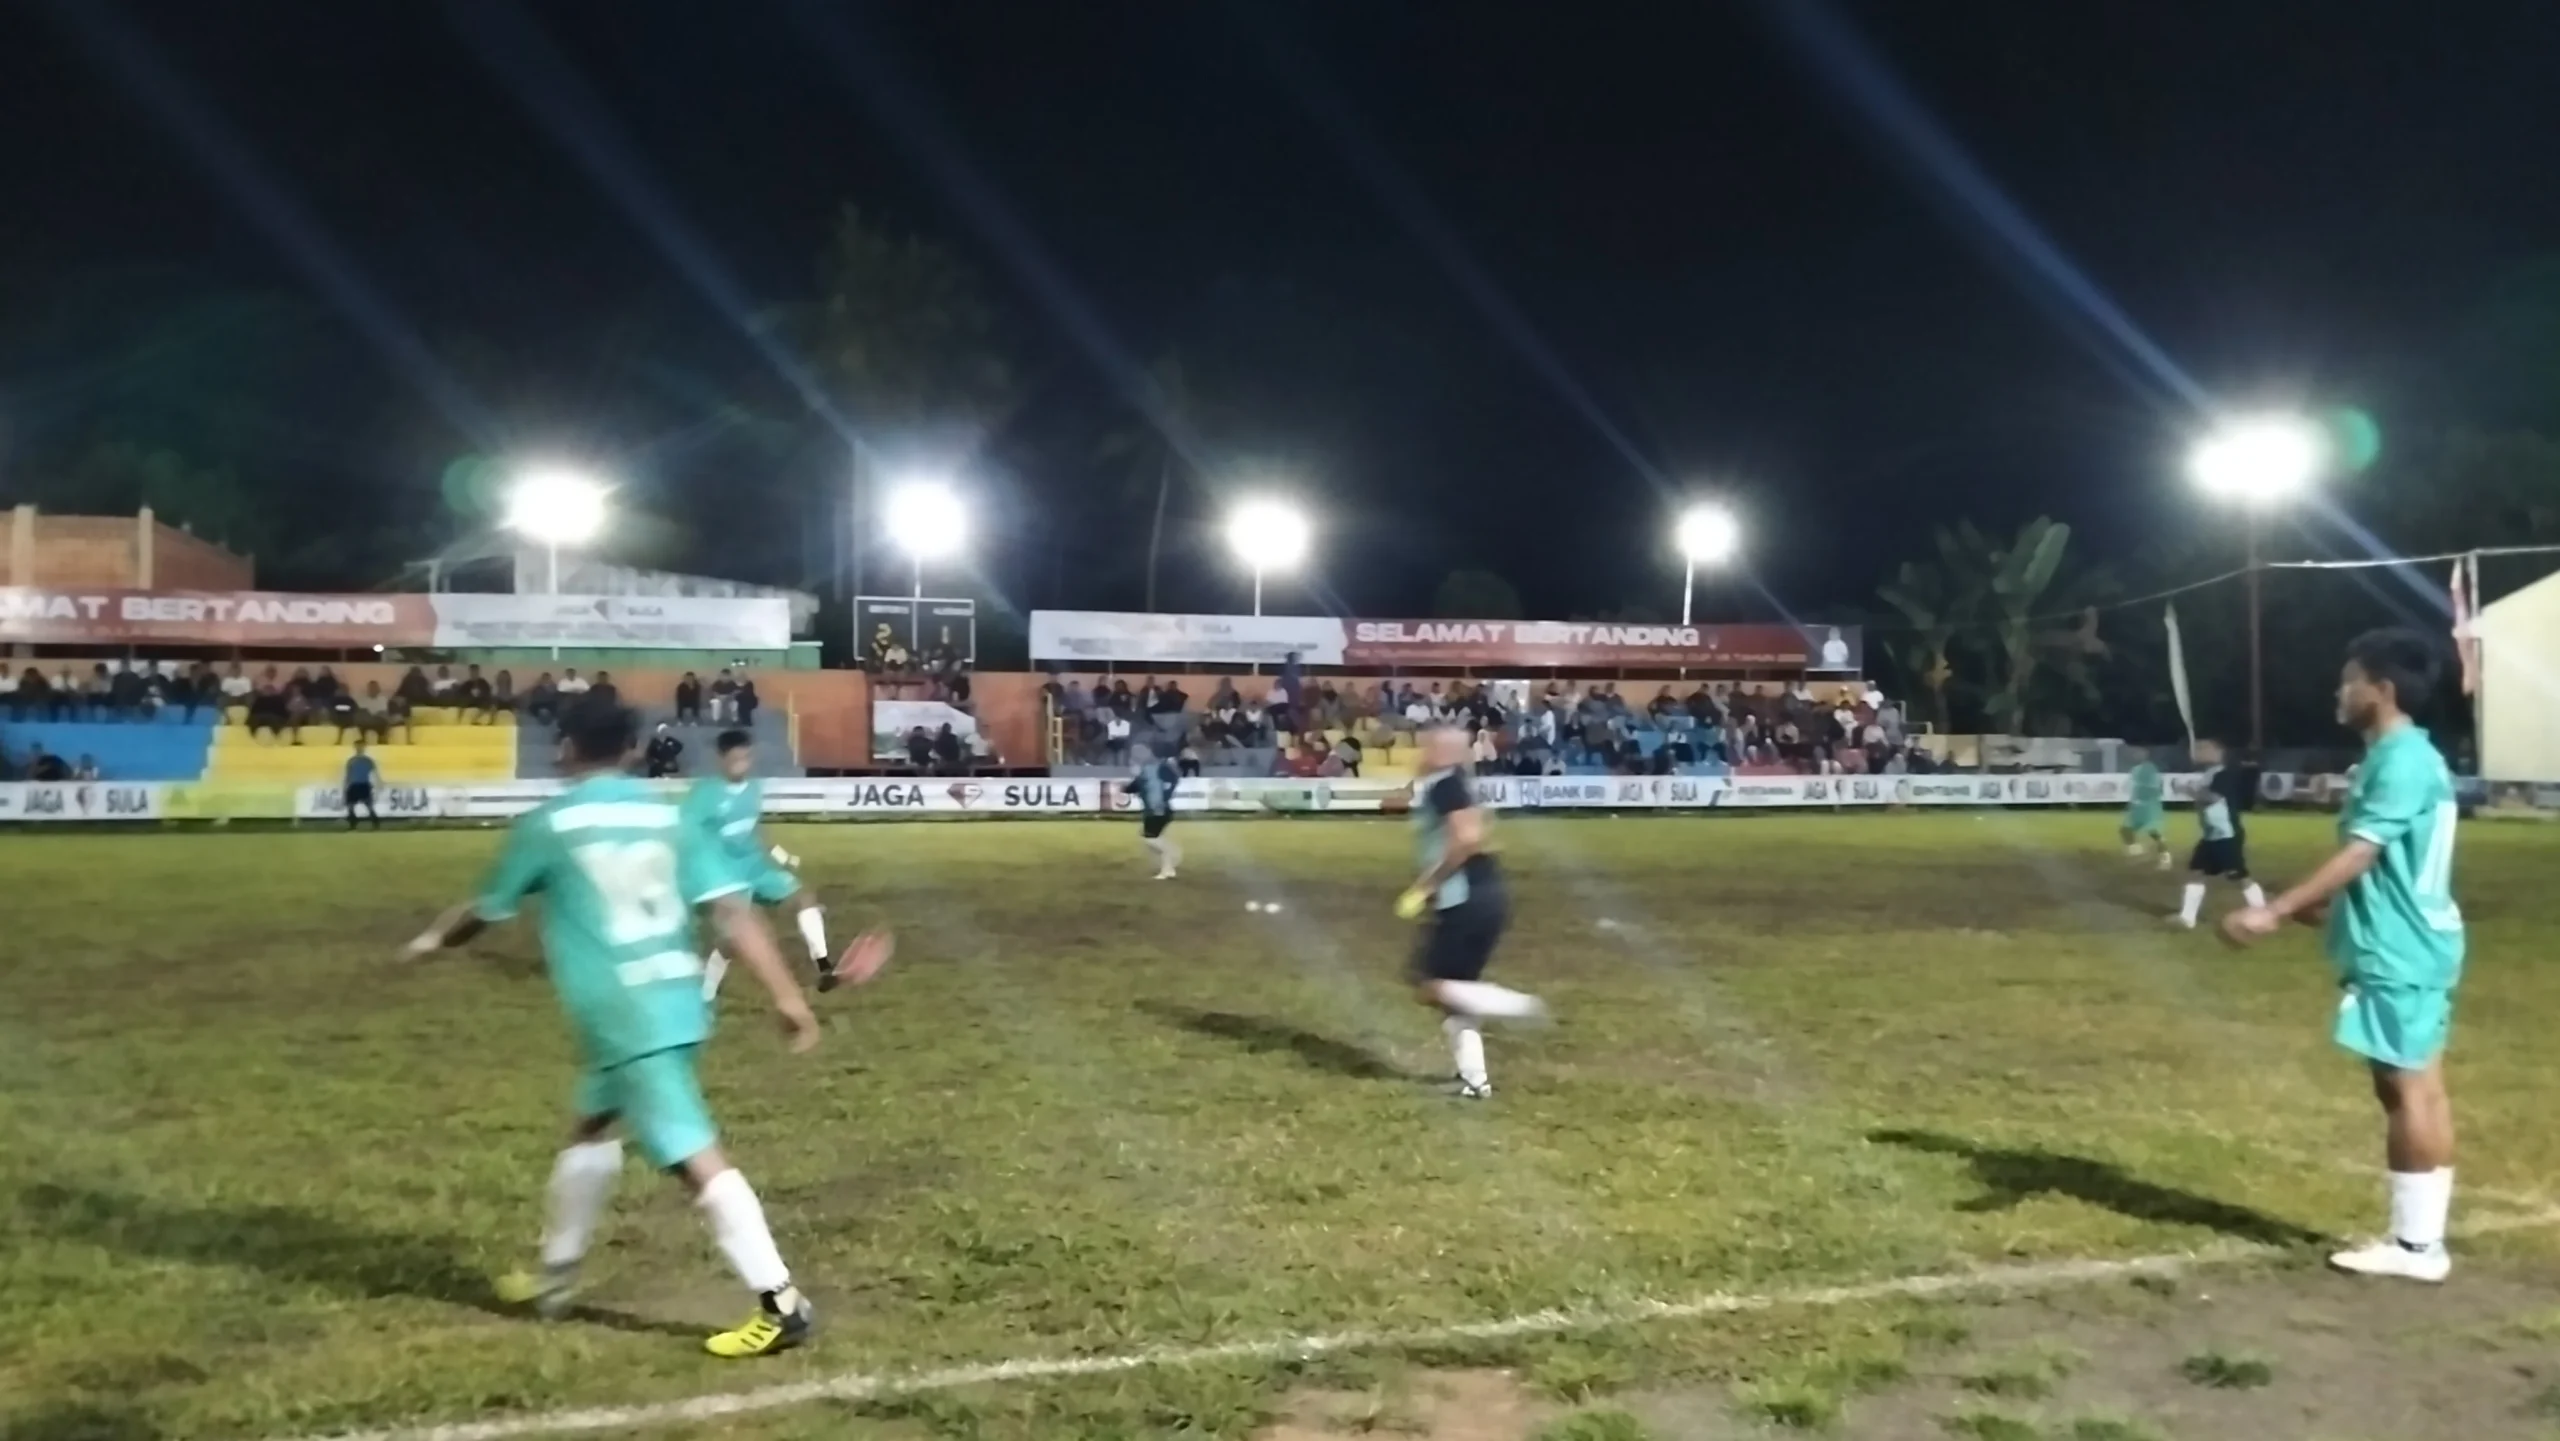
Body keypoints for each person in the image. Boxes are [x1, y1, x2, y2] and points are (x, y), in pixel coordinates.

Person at [396, 696, 825, 1357]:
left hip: (627, 1015)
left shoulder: (550, 824)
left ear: (565, 748)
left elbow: (485, 908)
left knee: (692, 1155)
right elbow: (732, 911)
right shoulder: (669, 817)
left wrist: (432, 941)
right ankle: (555, 1278)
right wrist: (787, 995)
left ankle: (781, 1300)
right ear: (631, 750)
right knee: (592, 1125)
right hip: (676, 998)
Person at [2221, 629, 2464, 1282]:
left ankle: (2417, 1248)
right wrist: (2325, 909)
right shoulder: (2411, 755)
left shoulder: (2400, 759)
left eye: (2350, 680)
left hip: (2400, 949)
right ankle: (2422, 1239)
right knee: (2420, 1086)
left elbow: (2363, 851)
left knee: (2406, 1090)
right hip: (2414, 940)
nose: (2340, 691)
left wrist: (2274, 910)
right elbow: (2395, 863)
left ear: (2381, 690)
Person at [1394, 726, 1546, 1100]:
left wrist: (1427, 886)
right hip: (1478, 896)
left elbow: (1467, 837)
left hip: (1468, 898)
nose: (1422, 752)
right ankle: (1475, 1082)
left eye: (1429, 746)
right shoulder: (1451, 784)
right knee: (1454, 994)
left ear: (1444, 752)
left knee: (1428, 984)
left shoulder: (1448, 785)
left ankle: (1517, 1005)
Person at [683, 728, 879, 994]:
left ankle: (824, 967)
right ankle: (706, 993)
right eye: (735, 759)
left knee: (804, 898)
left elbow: (754, 829)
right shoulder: (704, 795)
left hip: (757, 868)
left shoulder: (753, 788)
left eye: (746, 758)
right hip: (727, 877)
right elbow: (684, 835)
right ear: (721, 759)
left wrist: (780, 855)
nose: (742, 764)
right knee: (732, 941)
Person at [2171, 739, 2267, 928]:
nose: (2198, 751)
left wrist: (2186, 790)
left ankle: (2263, 913)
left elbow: (2213, 798)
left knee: (2239, 876)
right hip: (2211, 834)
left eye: (2204, 748)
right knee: (2196, 872)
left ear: (2218, 752)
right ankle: (2187, 918)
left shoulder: (2223, 774)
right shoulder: (2210, 774)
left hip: (2226, 834)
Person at [1126, 744, 1182, 880]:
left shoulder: (1150, 771)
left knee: (1151, 839)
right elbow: (1133, 787)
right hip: (1159, 809)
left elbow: (1133, 787)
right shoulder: (1151, 770)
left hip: (1156, 810)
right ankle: (1169, 865)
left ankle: (1169, 864)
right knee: (1151, 838)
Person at [2120, 748, 2170, 868]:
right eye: (2135, 752)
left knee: (2154, 832)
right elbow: (2135, 788)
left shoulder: (2150, 769)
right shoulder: (2136, 769)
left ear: (2146, 754)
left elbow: (2155, 788)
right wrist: (2133, 802)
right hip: (2138, 806)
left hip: (2149, 806)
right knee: (2125, 829)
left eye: (2139, 752)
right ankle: (2137, 851)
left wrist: (2147, 797)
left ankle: (2165, 857)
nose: (2135, 754)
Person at [344, 739, 382, 831]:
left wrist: (379, 783)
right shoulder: (351, 761)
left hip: (364, 785)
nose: (359, 748)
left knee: (369, 806)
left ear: (364, 747)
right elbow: (348, 774)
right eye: (357, 746)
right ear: (355, 747)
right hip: (354, 785)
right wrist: (346, 786)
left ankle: (376, 824)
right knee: (350, 806)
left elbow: (376, 774)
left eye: (361, 746)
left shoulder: (368, 761)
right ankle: (353, 825)